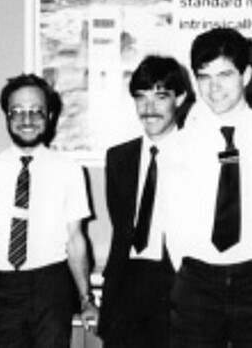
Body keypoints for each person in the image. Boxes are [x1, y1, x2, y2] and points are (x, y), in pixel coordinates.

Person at [166, 27, 252, 348]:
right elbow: (173, 220)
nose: (213, 87)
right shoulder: (180, 144)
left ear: (246, 75)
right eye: (204, 77)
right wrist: (190, 269)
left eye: (225, 75)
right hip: (196, 284)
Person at [0, 73, 99, 347]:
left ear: (49, 117)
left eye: (36, 111)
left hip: (53, 287)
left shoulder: (69, 171)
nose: (27, 120)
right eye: (18, 111)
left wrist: (86, 299)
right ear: (7, 117)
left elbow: (75, 239)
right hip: (5, 288)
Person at [98, 55, 191, 348]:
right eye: (141, 97)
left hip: (178, 286)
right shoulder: (118, 157)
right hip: (126, 288)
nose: (149, 109)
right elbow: (120, 228)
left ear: (180, 99)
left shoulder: (198, 156)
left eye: (160, 97)